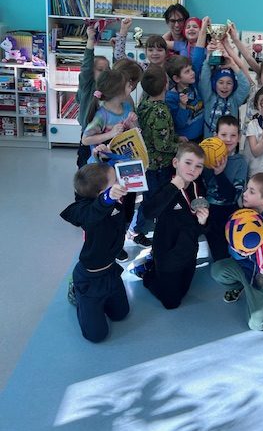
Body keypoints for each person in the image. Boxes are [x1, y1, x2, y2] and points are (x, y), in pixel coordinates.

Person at [211, 173, 263, 331]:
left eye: (251, 191)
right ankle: (241, 285)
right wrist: (238, 252)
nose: (244, 194)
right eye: (246, 189)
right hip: (243, 268)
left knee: (257, 325)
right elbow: (232, 246)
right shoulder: (238, 216)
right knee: (217, 270)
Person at [60, 163, 130, 342]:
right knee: (97, 336)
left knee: (121, 314)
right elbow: (88, 213)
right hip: (89, 278)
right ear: (101, 193)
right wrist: (107, 198)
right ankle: (76, 291)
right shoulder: (85, 210)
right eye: (115, 180)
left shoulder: (115, 202)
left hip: (111, 271)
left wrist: (102, 158)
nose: (119, 181)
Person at [134, 142, 209, 310]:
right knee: (171, 303)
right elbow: (148, 212)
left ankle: (154, 268)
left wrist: (203, 222)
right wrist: (173, 187)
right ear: (176, 163)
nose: (193, 169)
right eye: (188, 163)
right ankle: (147, 274)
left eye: (198, 166)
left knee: (183, 291)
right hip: (166, 254)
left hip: (189, 252)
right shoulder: (164, 185)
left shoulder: (198, 188)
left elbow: (198, 228)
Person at [81, 69, 138, 262]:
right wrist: (110, 133)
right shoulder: (102, 115)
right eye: (128, 84)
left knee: (124, 210)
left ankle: (118, 243)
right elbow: (86, 139)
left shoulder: (127, 108)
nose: (131, 86)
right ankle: (104, 245)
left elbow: (132, 135)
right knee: (107, 211)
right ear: (117, 91)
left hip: (124, 168)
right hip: (104, 174)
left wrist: (132, 126)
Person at [127, 65, 178, 247]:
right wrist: (180, 146)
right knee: (153, 201)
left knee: (151, 198)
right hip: (158, 166)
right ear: (166, 85)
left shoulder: (145, 103)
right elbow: (162, 144)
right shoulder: (160, 111)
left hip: (148, 163)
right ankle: (135, 230)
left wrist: (176, 138)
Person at [203, 115, 248, 261]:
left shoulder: (241, 162)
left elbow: (232, 196)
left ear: (239, 137)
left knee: (230, 253)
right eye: (223, 135)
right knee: (217, 254)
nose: (228, 139)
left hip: (229, 212)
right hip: (209, 213)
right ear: (215, 135)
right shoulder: (206, 159)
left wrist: (219, 173)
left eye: (233, 135)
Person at [199, 39, 250, 138]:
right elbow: (204, 78)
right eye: (221, 82)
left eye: (229, 83)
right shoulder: (208, 97)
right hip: (210, 142)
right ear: (214, 84)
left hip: (229, 142)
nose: (225, 86)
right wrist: (208, 59)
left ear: (234, 85)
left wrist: (233, 65)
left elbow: (245, 85)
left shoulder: (234, 100)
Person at [76, 24, 110, 168]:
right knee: (85, 165)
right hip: (88, 134)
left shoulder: (110, 88)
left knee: (102, 166)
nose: (105, 72)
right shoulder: (88, 85)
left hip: (104, 135)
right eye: (100, 69)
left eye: (107, 69)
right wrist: (90, 40)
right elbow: (86, 66)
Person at [165, 54, 205, 142]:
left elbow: (197, 59)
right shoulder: (170, 98)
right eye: (187, 71)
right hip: (188, 140)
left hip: (203, 135)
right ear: (176, 78)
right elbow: (179, 124)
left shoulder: (193, 84)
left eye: (191, 69)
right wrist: (182, 106)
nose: (192, 73)